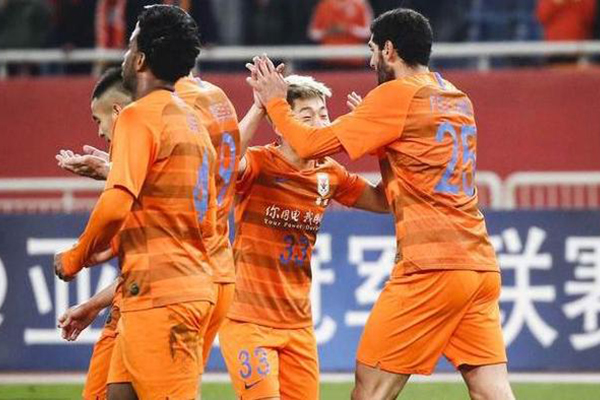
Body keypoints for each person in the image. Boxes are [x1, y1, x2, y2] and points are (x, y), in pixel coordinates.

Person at [247, 8, 515, 400]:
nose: (371, 60)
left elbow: (308, 144)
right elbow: (415, 170)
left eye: (372, 50)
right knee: (492, 391)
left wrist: (275, 102)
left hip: (430, 267)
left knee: (369, 390)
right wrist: (382, 143)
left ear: (389, 50)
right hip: (479, 265)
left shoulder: (396, 95)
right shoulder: (456, 98)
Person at [53, 5, 218, 399]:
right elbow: (196, 218)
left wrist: (76, 257)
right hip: (167, 289)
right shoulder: (194, 124)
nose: (125, 55)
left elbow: (115, 205)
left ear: (141, 60)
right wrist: (116, 247)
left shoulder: (137, 117)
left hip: (163, 299)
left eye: (129, 47)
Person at [220, 73, 388, 400]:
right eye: (306, 117)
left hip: (298, 324)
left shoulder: (330, 173)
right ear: (280, 125)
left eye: (323, 115)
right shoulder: (260, 163)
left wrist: (381, 147)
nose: (319, 124)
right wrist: (259, 107)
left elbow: (384, 201)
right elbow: (223, 164)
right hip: (247, 318)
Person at [55, 67, 130, 400]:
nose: (99, 132)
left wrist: (77, 256)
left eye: (98, 120)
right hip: (129, 304)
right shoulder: (130, 165)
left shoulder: (158, 145)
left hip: (158, 309)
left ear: (118, 111)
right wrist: (92, 306)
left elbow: (159, 263)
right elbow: (139, 268)